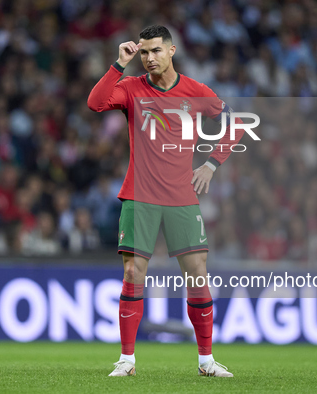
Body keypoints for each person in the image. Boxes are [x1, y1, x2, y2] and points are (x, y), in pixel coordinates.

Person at [88, 25, 240, 378]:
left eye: (155, 50)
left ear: (171, 51)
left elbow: (235, 123)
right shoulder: (130, 88)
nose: (149, 58)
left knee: (198, 275)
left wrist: (211, 163)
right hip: (139, 195)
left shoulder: (195, 91)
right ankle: (126, 360)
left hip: (180, 198)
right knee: (131, 273)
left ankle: (206, 361)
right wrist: (118, 65)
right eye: (143, 52)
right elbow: (95, 103)